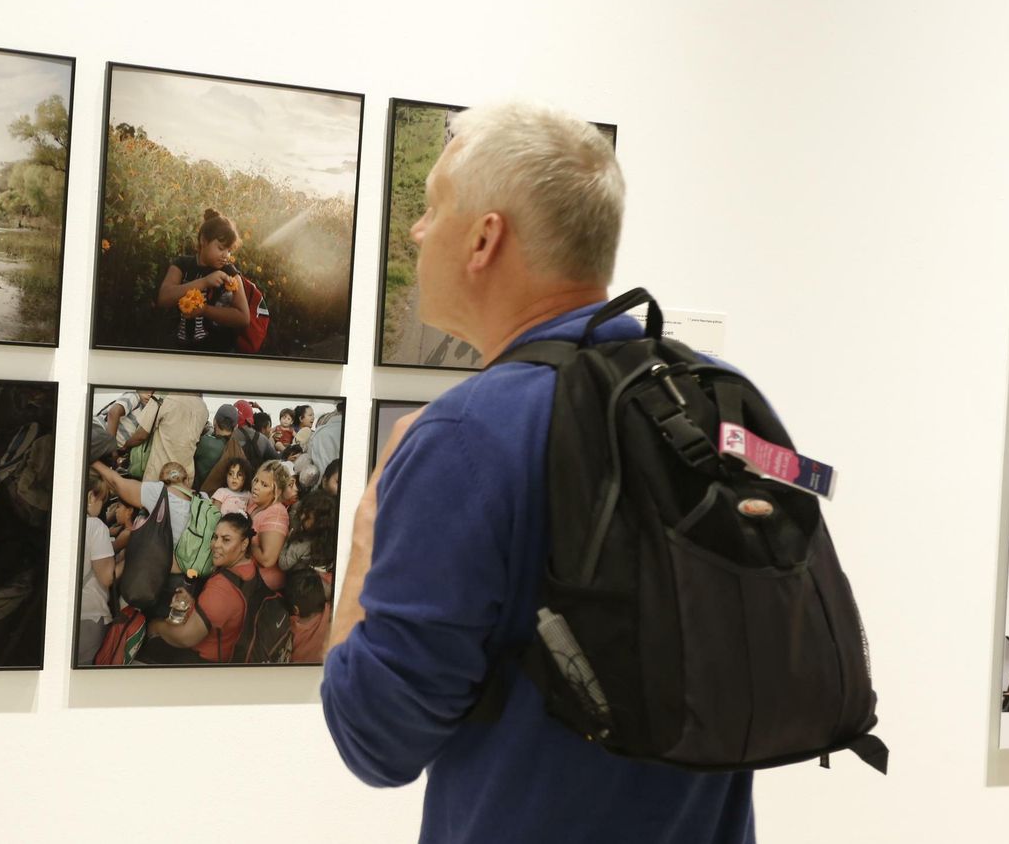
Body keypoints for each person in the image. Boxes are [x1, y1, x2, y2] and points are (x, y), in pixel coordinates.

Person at [320, 102, 754, 842]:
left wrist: (364, 539)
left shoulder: (464, 436)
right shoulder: (719, 398)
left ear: (485, 238)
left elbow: (377, 740)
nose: (419, 231)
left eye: (432, 208)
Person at [143, 513, 260, 663]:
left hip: (202, 661)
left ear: (244, 544)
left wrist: (156, 627)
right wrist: (193, 603)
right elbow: (224, 612)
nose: (216, 545)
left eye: (226, 540)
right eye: (215, 537)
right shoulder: (249, 567)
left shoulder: (222, 588)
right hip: (229, 651)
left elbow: (186, 637)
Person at [156, 209, 250, 352]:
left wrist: (204, 310)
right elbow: (163, 299)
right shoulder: (182, 264)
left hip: (217, 351)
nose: (226, 255)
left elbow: (243, 318)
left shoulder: (230, 273)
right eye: (221, 248)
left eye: (229, 250)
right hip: (178, 350)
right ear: (203, 241)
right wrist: (204, 282)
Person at [76, 471, 120, 665]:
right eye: (102, 499)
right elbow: (107, 577)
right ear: (91, 497)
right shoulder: (94, 525)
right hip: (90, 616)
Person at [140, 393, 207, 485]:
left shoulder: (164, 396)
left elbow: (142, 434)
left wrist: (125, 445)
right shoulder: (203, 408)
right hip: (184, 478)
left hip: (158, 475)